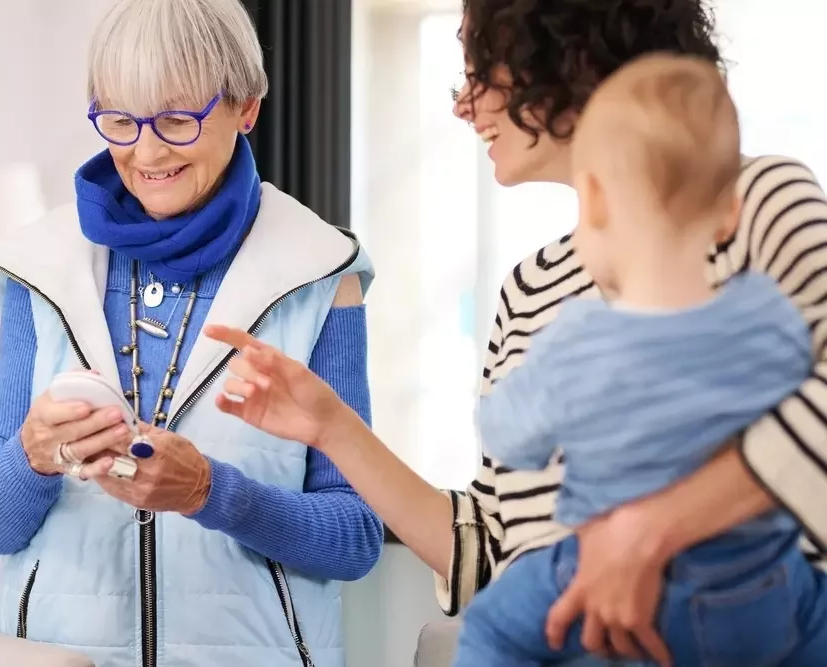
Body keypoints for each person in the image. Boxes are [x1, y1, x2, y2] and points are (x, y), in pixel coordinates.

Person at [204, 1, 827, 666]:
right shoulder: (530, 286)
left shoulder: (748, 199)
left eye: (480, 76)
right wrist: (332, 428)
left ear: (566, 57)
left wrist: (648, 533)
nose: (462, 107)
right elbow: (494, 548)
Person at [0, 1, 382, 666]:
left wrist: (213, 492)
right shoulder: (39, 269)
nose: (147, 151)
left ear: (247, 107)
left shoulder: (318, 273)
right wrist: (34, 454)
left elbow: (355, 537)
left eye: (179, 119)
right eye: (122, 120)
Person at [453, 52, 823, 667]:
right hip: (759, 584)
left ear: (594, 201)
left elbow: (509, 437)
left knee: (489, 628)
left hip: (597, 586)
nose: (463, 101)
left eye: (483, 65)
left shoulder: (576, 338)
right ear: (728, 209)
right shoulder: (766, 314)